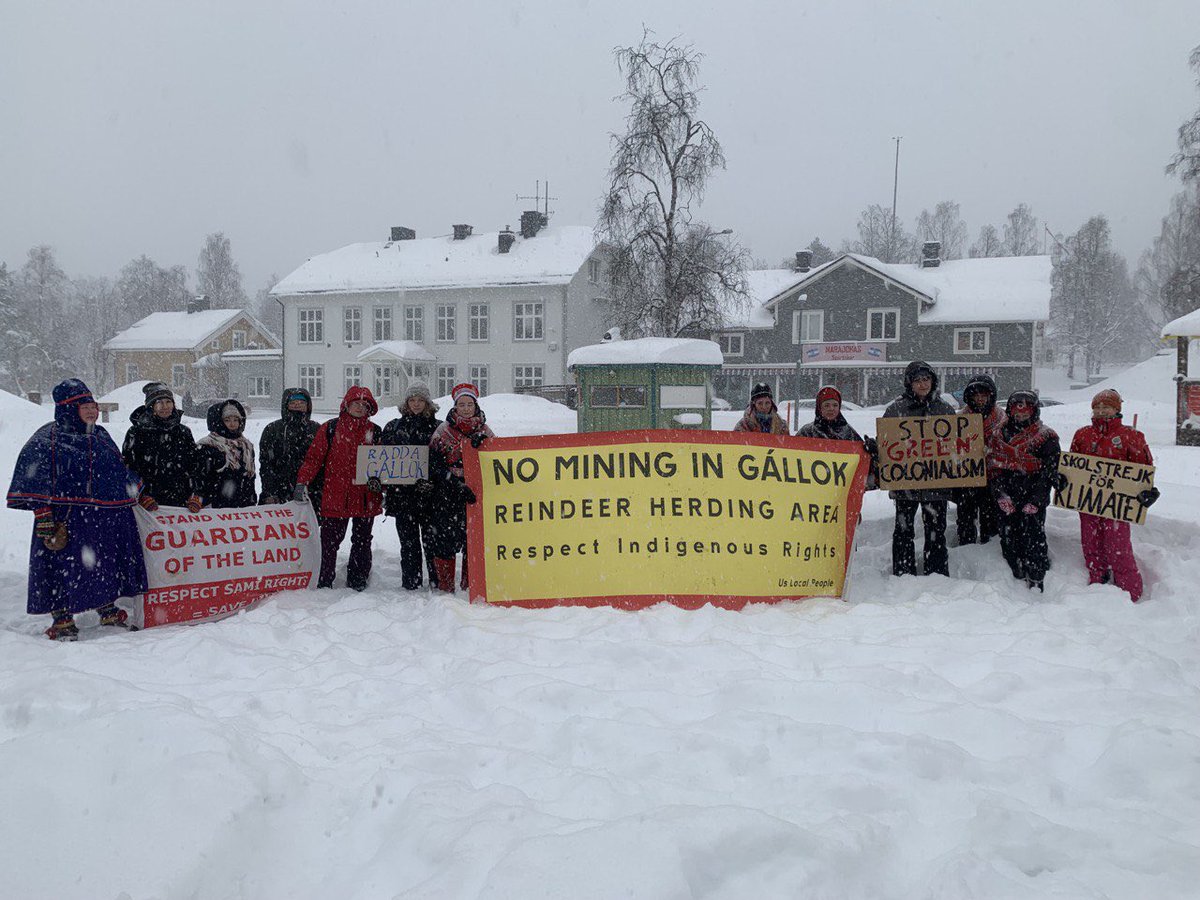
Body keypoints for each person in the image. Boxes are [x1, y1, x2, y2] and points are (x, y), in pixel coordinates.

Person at [6, 379, 148, 640]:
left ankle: (107, 608)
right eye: (85, 407)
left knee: (103, 564)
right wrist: (42, 513)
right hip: (67, 520)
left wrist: (136, 491)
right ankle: (62, 619)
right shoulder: (47, 439)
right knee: (63, 568)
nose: (92, 411)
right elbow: (34, 478)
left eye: (93, 406)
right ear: (69, 409)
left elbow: (116, 470)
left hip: (102, 519)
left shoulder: (100, 436)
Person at [1067, 389, 1158, 602]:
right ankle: (1097, 581)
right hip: (1089, 501)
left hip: (1117, 504)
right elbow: (1073, 465)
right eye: (1097, 407)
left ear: (1116, 409)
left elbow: (1143, 468)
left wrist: (1148, 490)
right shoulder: (1082, 434)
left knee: (1118, 545)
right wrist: (1064, 480)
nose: (1101, 411)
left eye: (1106, 407)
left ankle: (1130, 590)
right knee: (1090, 542)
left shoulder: (1131, 436)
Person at [294, 386, 383, 591]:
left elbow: (383, 464)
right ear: (347, 405)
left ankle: (358, 579)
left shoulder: (375, 431)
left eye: (364, 405)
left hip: (366, 496)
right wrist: (302, 482)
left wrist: (381, 484)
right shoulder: (330, 428)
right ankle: (324, 578)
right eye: (356, 403)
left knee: (362, 540)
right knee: (329, 541)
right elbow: (314, 459)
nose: (359, 408)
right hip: (336, 495)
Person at [882, 360, 956, 577]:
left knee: (936, 531)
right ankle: (903, 572)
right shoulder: (896, 410)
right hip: (906, 483)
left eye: (926, 379)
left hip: (936, 483)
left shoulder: (945, 409)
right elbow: (886, 443)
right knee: (903, 530)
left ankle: (937, 573)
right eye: (917, 380)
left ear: (933, 381)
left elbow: (955, 444)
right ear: (909, 383)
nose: (923, 384)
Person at [990, 390, 1060, 591]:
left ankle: (1037, 574)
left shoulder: (1046, 437)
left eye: (1026, 409)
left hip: (1032, 495)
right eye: (1016, 409)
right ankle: (1014, 572)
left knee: (1034, 535)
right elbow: (993, 469)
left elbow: (1049, 472)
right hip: (1008, 495)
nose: (1021, 414)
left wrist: (1037, 500)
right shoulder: (999, 434)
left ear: (1034, 411)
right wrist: (1001, 495)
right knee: (1008, 535)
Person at [428, 383, 494, 592]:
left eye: (469, 404)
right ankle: (446, 586)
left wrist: (485, 446)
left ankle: (470, 585)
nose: (466, 409)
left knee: (472, 539)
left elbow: (496, 461)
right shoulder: (443, 431)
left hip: (475, 494)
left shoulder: (486, 431)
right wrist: (453, 482)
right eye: (461, 405)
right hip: (447, 492)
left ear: (476, 406)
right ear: (455, 406)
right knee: (444, 540)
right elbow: (433, 463)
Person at [381, 381, 442, 590]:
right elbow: (383, 459)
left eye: (420, 400)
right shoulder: (393, 427)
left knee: (432, 543)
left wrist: (431, 480)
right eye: (412, 400)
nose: (416, 404)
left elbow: (442, 461)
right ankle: (411, 582)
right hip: (402, 496)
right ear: (406, 403)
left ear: (428, 403)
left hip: (430, 497)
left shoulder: (438, 427)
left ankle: (437, 582)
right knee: (408, 544)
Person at [122, 381, 202, 512]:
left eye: (168, 402)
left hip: (182, 504)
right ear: (151, 406)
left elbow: (194, 466)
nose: (165, 406)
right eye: (159, 402)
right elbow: (129, 468)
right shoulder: (136, 433)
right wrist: (141, 494)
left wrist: (196, 493)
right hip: (149, 506)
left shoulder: (183, 432)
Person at [953, 374, 1006, 545]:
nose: (980, 399)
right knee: (965, 517)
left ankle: (988, 549)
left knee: (990, 518)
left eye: (984, 395)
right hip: (967, 476)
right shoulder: (960, 419)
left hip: (993, 477)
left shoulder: (1003, 419)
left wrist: (992, 451)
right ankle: (966, 547)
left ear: (991, 396)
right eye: (976, 395)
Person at [800, 385, 875, 490]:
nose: (831, 409)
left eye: (835, 405)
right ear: (819, 408)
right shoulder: (807, 432)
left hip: (839, 493)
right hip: (811, 491)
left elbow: (867, 473)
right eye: (827, 405)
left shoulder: (848, 433)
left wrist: (871, 452)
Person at [259, 387, 320, 504]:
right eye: (293, 402)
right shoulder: (273, 429)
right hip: (278, 492)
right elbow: (266, 464)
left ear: (308, 406)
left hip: (309, 491)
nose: (297, 405)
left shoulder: (316, 429)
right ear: (286, 405)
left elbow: (320, 463)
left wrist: (317, 491)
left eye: (301, 402)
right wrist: (270, 493)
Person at [197, 399, 257, 508]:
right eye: (227, 420)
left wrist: (251, 500)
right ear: (219, 421)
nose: (232, 424)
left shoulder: (246, 446)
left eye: (236, 420)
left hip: (243, 505)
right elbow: (200, 477)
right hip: (215, 506)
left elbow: (250, 478)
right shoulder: (207, 445)